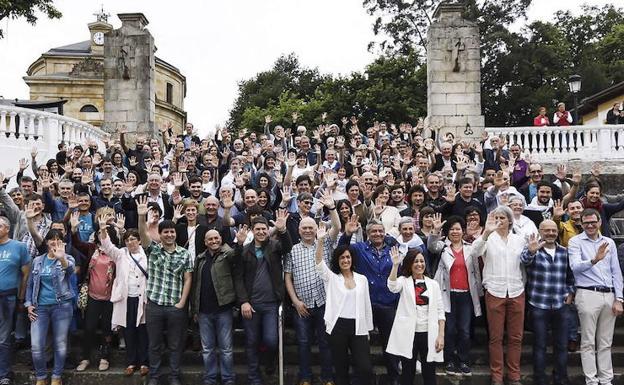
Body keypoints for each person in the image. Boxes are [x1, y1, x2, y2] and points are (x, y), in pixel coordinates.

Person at [137, 196, 193, 385]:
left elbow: (188, 279)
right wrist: (141, 217)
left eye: (172, 232)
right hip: (155, 305)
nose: (169, 234)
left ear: (175, 234)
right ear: (160, 234)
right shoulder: (153, 250)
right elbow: (143, 236)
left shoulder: (184, 254)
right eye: (165, 232)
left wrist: (182, 303)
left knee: (176, 344)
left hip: (175, 305)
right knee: (154, 344)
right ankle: (154, 376)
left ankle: (174, 376)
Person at [233, 210, 292, 385]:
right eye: (257, 229)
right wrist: (243, 301)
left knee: (271, 340)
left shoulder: (274, 246)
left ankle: (269, 360)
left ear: (268, 230)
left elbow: (288, 247)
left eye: (263, 229)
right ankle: (254, 377)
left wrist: (282, 230)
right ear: (252, 230)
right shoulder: (244, 251)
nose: (260, 232)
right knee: (252, 341)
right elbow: (237, 276)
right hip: (251, 304)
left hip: (271, 304)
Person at [341, 218, 400, 384]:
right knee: (360, 344)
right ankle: (362, 378)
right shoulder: (359, 249)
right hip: (365, 304)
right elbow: (341, 250)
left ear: (385, 233)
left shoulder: (393, 249)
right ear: (367, 233)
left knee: (390, 343)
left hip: (387, 303)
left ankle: (394, 377)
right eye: (374, 231)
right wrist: (347, 234)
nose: (378, 234)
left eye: (380, 231)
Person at [472, 206, 527, 385]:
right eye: (496, 217)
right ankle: (497, 376)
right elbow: (475, 252)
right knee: (496, 337)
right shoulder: (488, 238)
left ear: (510, 220)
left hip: (516, 290)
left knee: (516, 337)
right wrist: (486, 233)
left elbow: (525, 262)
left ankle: (514, 376)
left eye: (503, 218)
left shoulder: (520, 240)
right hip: (495, 290)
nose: (499, 221)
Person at [568, 209, 623, 385]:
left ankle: (606, 380)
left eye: (593, 222)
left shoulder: (609, 243)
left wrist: (619, 299)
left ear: (599, 222)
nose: (590, 225)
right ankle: (591, 380)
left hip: (609, 295)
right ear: (581, 224)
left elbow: (616, 272)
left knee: (606, 342)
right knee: (588, 341)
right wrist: (594, 259)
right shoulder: (575, 242)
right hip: (587, 293)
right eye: (586, 223)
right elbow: (575, 267)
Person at [520, 221, 575, 385]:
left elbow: (570, 277)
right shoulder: (533, 249)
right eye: (547, 230)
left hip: (561, 305)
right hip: (539, 305)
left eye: (553, 230)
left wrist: (570, 292)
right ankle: (540, 379)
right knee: (540, 345)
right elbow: (524, 260)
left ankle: (561, 378)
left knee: (561, 345)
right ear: (540, 231)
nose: (551, 233)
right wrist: (531, 251)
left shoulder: (564, 252)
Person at [316, 229, 373, 385]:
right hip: (338, 326)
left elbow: (367, 305)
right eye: (342, 258)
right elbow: (320, 264)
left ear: (352, 259)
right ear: (338, 261)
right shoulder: (332, 278)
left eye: (348, 257)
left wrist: (367, 329)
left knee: (365, 367)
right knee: (341, 368)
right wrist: (320, 241)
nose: (345, 260)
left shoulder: (362, 279)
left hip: (358, 326)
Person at [428, 215, 483, 376]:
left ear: (463, 231)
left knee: (464, 330)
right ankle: (449, 360)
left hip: (466, 295)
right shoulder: (443, 247)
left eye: (458, 228)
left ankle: (464, 360)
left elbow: (476, 270)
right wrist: (436, 230)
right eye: (452, 229)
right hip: (447, 295)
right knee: (449, 330)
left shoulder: (470, 247)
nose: (455, 232)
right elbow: (431, 246)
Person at [97, 216, 149, 377]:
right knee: (128, 331)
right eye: (127, 240)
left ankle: (144, 363)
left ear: (139, 241)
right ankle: (131, 362)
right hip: (126, 299)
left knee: (142, 331)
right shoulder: (120, 254)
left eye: (133, 239)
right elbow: (107, 245)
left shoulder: (147, 254)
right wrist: (103, 229)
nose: (130, 242)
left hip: (142, 299)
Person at [386, 249, 445, 385]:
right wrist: (395, 265)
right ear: (410, 264)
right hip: (409, 334)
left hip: (429, 333)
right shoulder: (404, 281)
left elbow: (440, 312)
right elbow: (392, 286)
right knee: (407, 372)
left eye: (422, 261)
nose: (419, 264)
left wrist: (441, 335)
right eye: (416, 261)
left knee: (429, 372)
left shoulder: (433, 284)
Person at [25, 230, 75, 385]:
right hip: (40, 308)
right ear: (46, 242)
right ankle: (41, 377)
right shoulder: (38, 260)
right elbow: (30, 285)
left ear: (63, 242)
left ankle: (56, 376)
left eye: (58, 239)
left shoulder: (67, 258)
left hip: (62, 307)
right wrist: (28, 304)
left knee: (60, 343)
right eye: (52, 239)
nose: (55, 242)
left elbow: (71, 271)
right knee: (36, 345)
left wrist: (62, 258)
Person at [191, 230, 237, 385]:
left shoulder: (227, 254)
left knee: (226, 349)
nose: (213, 241)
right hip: (204, 311)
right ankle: (210, 378)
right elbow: (196, 284)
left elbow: (235, 256)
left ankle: (228, 378)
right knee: (208, 349)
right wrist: (195, 309)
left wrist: (240, 243)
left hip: (223, 309)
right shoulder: (200, 258)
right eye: (210, 239)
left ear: (221, 239)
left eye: (216, 238)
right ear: (205, 242)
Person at [0, 216, 30, 385]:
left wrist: (21, 298)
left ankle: (4, 374)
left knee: (3, 338)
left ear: (6, 229)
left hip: (8, 297)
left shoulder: (19, 247)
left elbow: (26, 274)